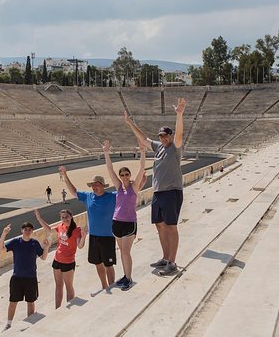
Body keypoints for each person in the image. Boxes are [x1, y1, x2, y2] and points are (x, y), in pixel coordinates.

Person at [124, 97, 186, 276]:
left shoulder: (175, 146)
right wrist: (129, 123)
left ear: (171, 136)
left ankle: (172, 263)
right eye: (161, 135)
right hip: (158, 192)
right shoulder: (158, 147)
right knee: (159, 225)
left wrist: (180, 115)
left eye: (166, 135)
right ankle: (166, 258)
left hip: (172, 192)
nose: (163, 138)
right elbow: (143, 139)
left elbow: (180, 134)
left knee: (171, 226)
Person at [59, 165, 117, 295]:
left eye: (97, 184)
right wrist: (65, 176)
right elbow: (73, 191)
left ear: (103, 186)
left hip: (108, 236)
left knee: (108, 265)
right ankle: (104, 286)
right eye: (93, 185)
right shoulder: (88, 196)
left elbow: (128, 194)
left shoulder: (112, 196)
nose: (94, 187)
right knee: (97, 263)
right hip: (94, 237)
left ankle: (111, 286)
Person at [102, 140, 146, 291]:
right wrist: (106, 152)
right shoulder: (119, 186)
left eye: (127, 174)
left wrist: (142, 151)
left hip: (129, 223)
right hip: (116, 223)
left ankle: (129, 278)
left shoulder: (134, 187)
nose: (125, 176)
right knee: (122, 252)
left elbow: (142, 168)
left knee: (126, 252)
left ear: (129, 175)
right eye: (122, 175)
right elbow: (109, 169)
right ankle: (125, 276)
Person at [0, 222, 49, 330]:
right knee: (13, 301)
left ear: (32, 231)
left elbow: (43, 257)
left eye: (29, 229)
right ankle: (9, 324)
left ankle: (30, 323)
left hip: (31, 278)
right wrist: (4, 234)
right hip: (17, 278)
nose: (27, 231)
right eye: (25, 229)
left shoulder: (35, 243)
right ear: (22, 230)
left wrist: (46, 247)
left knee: (30, 301)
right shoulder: (15, 242)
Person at [34, 208, 87, 309]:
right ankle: (57, 309)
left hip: (68, 262)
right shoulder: (60, 226)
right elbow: (49, 229)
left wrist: (83, 237)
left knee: (68, 286)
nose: (65, 219)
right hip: (57, 260)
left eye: (66, 217)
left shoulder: (77, 229)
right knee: (58, 287)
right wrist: (39, 218)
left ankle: (70, 307)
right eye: (63, 217)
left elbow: (80, 246)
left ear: (71, 216)